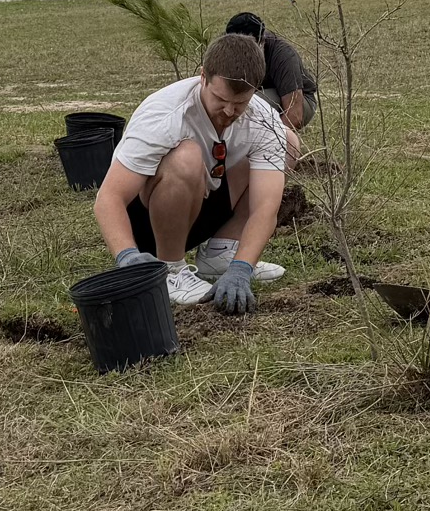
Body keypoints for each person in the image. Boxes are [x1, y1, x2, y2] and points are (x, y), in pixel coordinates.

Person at [93, 31, 289, 311]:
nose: (229, 111)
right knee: (187, 157)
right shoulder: (165, 115)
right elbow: (109, 198)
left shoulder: (262, 118)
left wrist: (242, 267)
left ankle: (222, 253)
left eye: (240, 103)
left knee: (287, 142)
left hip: (205, 202)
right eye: (220, 99)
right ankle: (170, 268)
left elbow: (264, 207)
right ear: (203, 77)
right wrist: (127, 256)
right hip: (149, 222)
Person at [225, 9, 317, 137]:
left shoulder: (283, 55)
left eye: (249, 51)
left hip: (298, 99)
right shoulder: (224, 49)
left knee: (252, 106)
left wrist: (269, 140)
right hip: (254, 93)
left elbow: (295, 115)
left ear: (262, 42)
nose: (243, 57)